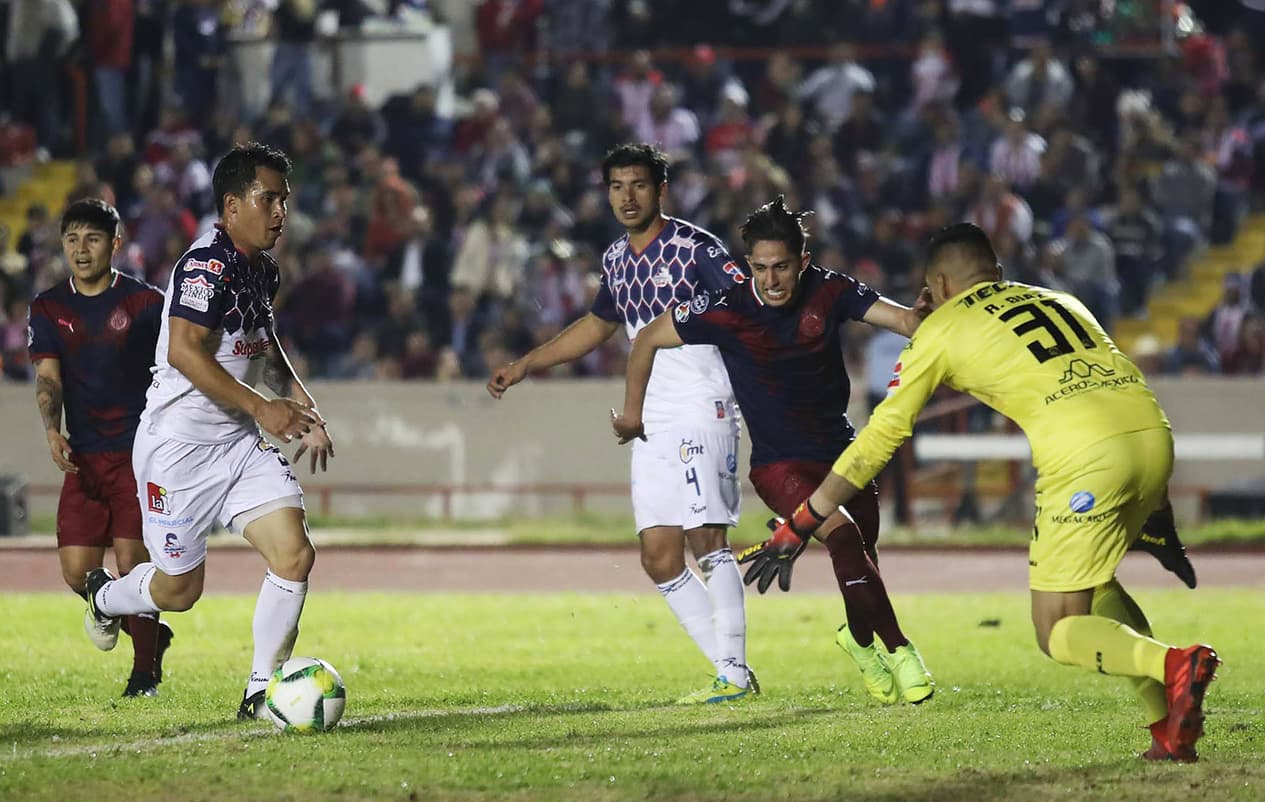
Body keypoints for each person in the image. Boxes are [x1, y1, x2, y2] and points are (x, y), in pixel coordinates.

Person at [740, 223, 1219, 762]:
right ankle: (1166, 728)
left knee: (1057, 629)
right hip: (1154, 438)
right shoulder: (1060, 300)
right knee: (1096, 585)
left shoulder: (940, 331)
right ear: (996, 273)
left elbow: (879, 439)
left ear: (940, 285)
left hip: (1084, 460)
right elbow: (1110, 387)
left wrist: (805, 518)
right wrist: (1158, 515)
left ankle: (1175, 664)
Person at [611, 196, 936, 705]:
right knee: (845, 539)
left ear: (802, 261)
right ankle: (900, 649)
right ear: (748, 265)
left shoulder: (829, 289)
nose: (771, 279)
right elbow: (648, 338)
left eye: (781, 266)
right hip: (780, 466)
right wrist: (633, 413)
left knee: (861, 559)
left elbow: (904, 323)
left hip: (844, 455)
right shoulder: (725, 307)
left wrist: (921, 316)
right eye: (760, 268)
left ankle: (859, 640)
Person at [487, 143, 754, 704]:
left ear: (661, 190)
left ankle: (732, 672)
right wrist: (527, 364)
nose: (627, 197)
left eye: (638, 185)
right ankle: (729, 671)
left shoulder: (695, 248)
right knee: (659, 557)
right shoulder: (615, 259)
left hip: (702, 404)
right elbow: (598, 324)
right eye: (616, 186)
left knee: (707, 539)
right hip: (651, 416)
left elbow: (747, 307)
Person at [83, 142, 334, 720]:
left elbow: (263, 345)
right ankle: (105, 596)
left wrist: (303, 405)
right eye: (268, 199)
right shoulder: (205, 265)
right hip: (178, 451)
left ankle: (261, 692)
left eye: (284, 200)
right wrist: (264, 408)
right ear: (232, 204)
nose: (280, 212)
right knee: (180, 592)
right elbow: (184, 352)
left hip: (237, 445)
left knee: (294, 554)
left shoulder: (262, 268)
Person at [27, 198, 172, 698]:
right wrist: (52, 430)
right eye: (72, 239)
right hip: (84, 458)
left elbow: (179, 364)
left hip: (138, 455)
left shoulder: (147, 304)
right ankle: (148, 632)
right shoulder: (49, 307)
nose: (81, 249)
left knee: (134, 563)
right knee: (77, 574)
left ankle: (144, 675)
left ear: (115, 244)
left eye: (92, 238)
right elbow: (49, 378)